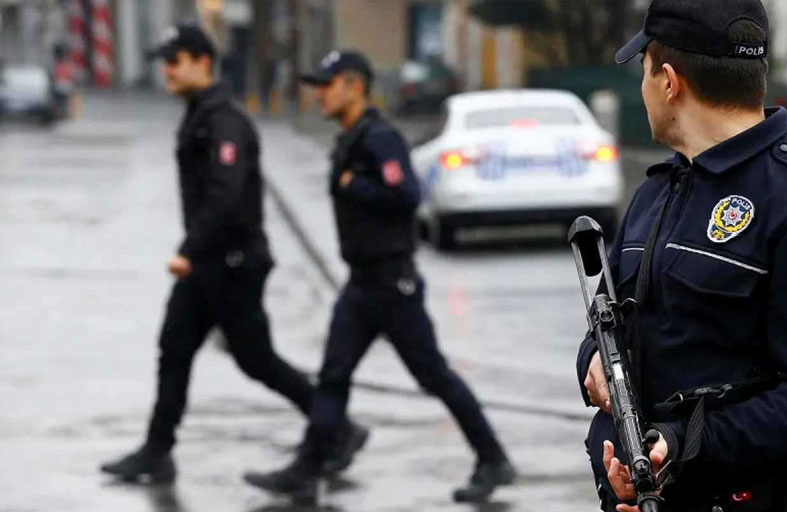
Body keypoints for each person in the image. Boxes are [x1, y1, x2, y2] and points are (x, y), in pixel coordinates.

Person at [242, 50, 516, 504]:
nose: (319, 95)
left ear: (354, 85)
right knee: (333, 376)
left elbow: (407, 194)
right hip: (361, 285)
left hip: (392, 285)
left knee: (433, 375)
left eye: (327, 85)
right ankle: (307, 469)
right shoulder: (350, 138)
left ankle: (492, 458)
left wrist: (358, 185)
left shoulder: (380, 138)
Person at [99, 24, 366, 484]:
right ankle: (157, 451)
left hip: (233, 263)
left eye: (175, 61)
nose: (167, 71)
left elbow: (225, 194)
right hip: (208, 263)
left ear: (202, 62)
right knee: (174, 348)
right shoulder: (200, 114)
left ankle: (339, 427)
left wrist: (189, 249)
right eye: (165, 63)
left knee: (256, 360)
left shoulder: (224, 121)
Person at [576, 1, 787, 511]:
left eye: (644, 69)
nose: (643, 87)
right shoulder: (657, 192)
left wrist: (686, 443)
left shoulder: (780, 194)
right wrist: (593, 362)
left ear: (669, 81)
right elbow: (608, 323)